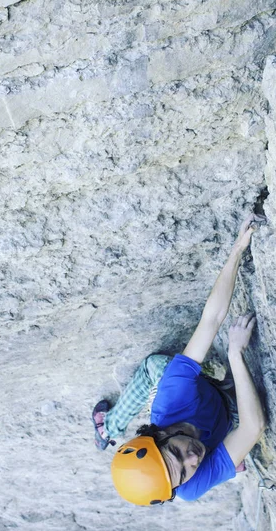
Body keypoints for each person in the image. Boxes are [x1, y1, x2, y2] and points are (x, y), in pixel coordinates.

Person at [92, 213, 266, 505]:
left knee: (155, 368)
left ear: (159, 434)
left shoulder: (170, 402)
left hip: (206, 392)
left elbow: (210, 320)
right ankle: (227, 459)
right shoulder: (188, 489)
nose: (193, 458)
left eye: (176, 453)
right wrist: (235, 353)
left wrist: (238, 249)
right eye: (185, 473)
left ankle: (109, 429)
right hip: (230, 414)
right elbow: (254, 426)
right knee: (240, 434)